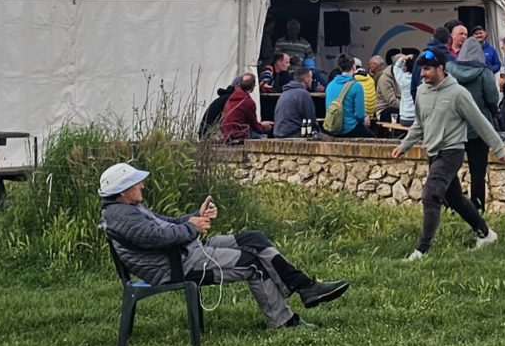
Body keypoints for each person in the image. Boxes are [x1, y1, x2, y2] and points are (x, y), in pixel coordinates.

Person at [99, 161, 348, 329]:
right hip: (177, 265)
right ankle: (284, 321)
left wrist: (197, 216)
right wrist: (192, 227)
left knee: (254, 239)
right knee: (253, 263)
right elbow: (158, 237)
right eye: (136, 182)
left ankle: (305, 286)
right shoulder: (122, 216)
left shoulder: (129, 208)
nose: (142, 185)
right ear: (123, 190)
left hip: (187, 252)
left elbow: (169, 223)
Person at [395, 48, 505, 260]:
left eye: (427, 69)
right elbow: (419, 124)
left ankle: (421, 251)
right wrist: (404, 146)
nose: (423, 74)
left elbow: (480, 122)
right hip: (433, 151)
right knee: (455, 198)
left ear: (440, 68)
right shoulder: (421, 91)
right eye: (421, 69)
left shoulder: (458, 94)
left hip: (452, 151)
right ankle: (486, 234)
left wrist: (499, 149)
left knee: (431, 195)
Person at [445, 23, 501, 209]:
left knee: (450, 170)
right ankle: (477, 206)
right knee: (478, 172)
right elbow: (492, 98)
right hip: (479, 127)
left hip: (454, 127)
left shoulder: (449, 68)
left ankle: (452, 204)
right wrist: (494, 113)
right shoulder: (484, 72)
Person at [322, 55, 371, 139]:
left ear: (340, 68)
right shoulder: (357, 86)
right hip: (350, 128)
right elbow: (360, 114)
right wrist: (365, 121)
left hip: (332, 127)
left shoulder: (330, 85)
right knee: (373, 138)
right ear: (354, 67)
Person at [218, 72, 269, 144]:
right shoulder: (248, 102)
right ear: (252, 86)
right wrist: (263, 128)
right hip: (238, 134)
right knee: (263, 137)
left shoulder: (231, 98)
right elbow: (254, 124)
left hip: (226, 133)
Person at [273, 66, 318, 138]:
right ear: (306, 79)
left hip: (279, 133)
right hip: (294, 134)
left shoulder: (285, 92)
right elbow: (310, 118)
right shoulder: (303, 94)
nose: (312, 80)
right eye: (311, 77)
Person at [366, 54, 400, 124]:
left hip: (395, 108)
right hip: (384, 111)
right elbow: (392, 102)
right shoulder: (384, 79)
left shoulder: (401, 76)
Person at [392, 50, 419, 130]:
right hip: (416, 118)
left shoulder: (402, 78)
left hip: (404, 118)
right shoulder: (420, 79)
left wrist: (403, 58)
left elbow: (396, 67)